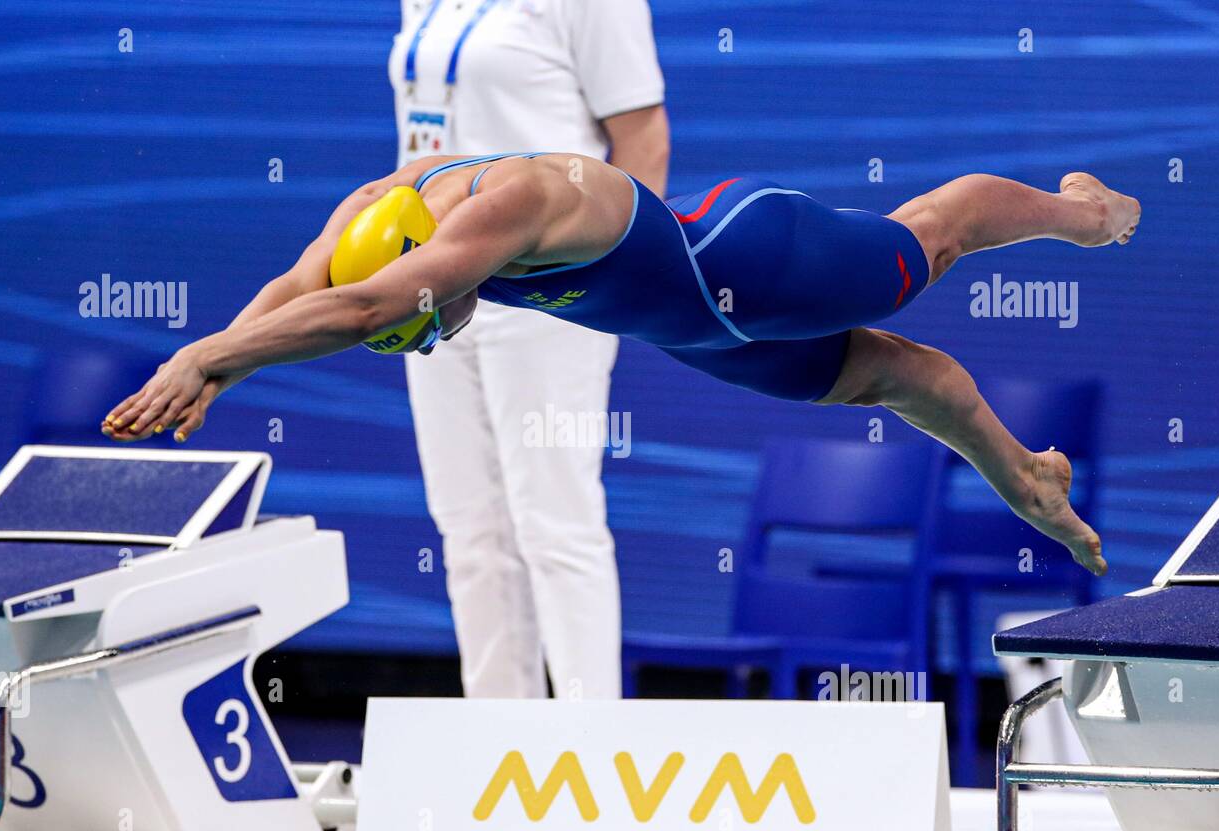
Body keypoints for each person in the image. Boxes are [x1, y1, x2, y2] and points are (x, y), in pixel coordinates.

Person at [101, 151, 1141, 577]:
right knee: (901, 378)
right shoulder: (377, 212)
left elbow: (373, 303)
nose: (439, 329)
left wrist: (207, 351)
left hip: (750, 259)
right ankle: (1029, 474)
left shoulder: (507, 202)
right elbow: (307, 290)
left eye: (434, 317)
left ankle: (1078, 212)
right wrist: (216, 366)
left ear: (432, 259)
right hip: (690, 331)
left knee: (932, 235)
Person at [386, 0, 668, 700]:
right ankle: (495, 746)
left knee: (554, 523)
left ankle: (589, 745)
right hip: (435, 282)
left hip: (548, 286)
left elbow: (644, 139)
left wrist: (612, 279)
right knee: (470, 529)